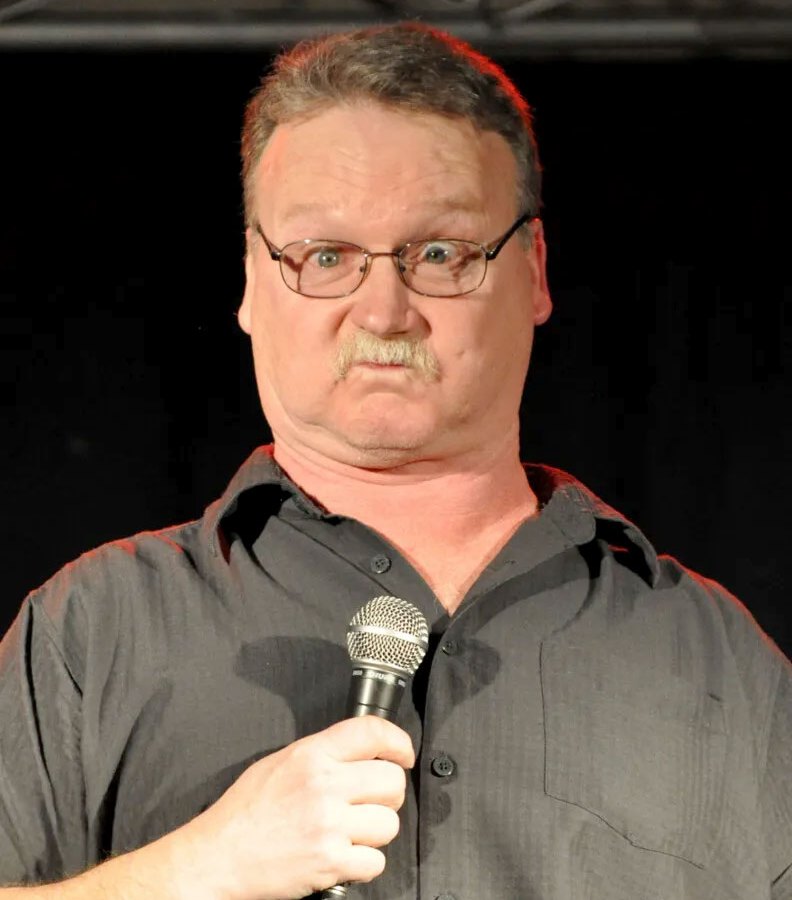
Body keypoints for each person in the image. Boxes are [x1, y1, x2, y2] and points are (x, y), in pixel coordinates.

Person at [0, 20, 790, 900]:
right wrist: (194, 869)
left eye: (441, 254)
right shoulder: (93, 631)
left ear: (533, 270)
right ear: (253, 281)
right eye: (325, 256)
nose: (383, 310)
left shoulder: (715, 659)